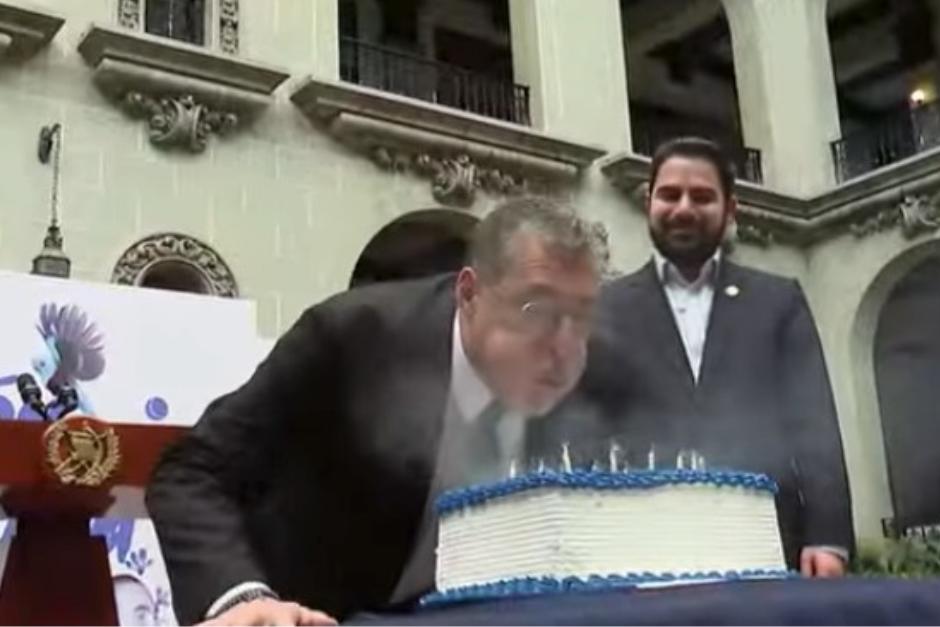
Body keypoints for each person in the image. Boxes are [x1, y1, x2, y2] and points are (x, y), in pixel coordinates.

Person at [146, 196, 606, 626]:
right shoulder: (353, 338)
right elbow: (192, 471)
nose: (565, 349)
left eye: (581, 315)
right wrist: (243, 599)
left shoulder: (599, 370)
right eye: (535, 309)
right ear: (469, 295)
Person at [575, 137, 854, 576]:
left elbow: (814, 424)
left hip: (768, 541)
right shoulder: (604, 308)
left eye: (702, 196)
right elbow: (586, 430)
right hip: (643, 548)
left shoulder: (778, 300)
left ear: (730, 209)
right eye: (669, 194)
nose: (683, 208)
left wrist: (829, 538)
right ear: (648, 201)